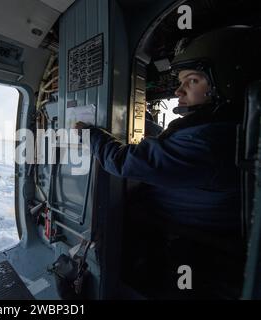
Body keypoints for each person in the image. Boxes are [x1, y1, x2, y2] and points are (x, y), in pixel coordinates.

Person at [75, 26, 261, 299]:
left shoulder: (206, 141)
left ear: (225, 80)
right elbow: (171, 151)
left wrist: (89, 134)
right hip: (208, 228)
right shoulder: (232, 129)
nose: (178, 90)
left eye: (192, 81)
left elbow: (121, 162)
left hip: (185, 237)